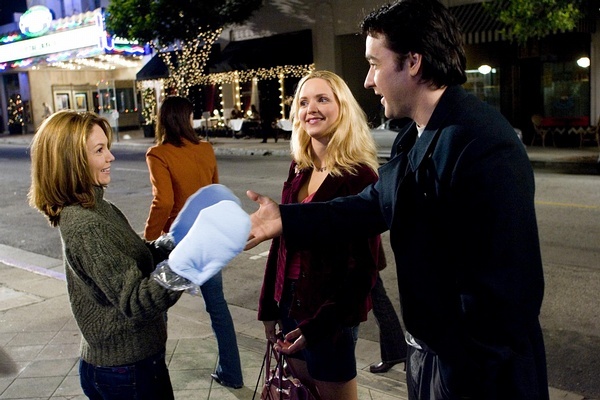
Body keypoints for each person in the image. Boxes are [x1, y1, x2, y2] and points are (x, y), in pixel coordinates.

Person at [245, 0, 549, 399]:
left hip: (475, 371)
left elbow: (508, 292)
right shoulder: (416, 134)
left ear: (413, 62)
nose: (369, 81)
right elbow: (369, 206)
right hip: (430, 355)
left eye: (375, 64)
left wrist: (459, 368)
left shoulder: (482, 143)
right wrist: (284, 219)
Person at [28, 110, 183, 399]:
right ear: (72, 162)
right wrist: (188, 265)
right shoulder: (86, 224)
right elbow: (136, 300)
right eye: (99, 150)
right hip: (127, 371)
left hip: (128, 366)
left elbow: (130, 258)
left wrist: (172, 243)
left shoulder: (97, 207)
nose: (110, 157)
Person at [258, 70, 381, 400]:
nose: (310, 108)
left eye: (322, 99)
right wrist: (269, 307)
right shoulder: (300, 167)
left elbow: (364, 271)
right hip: (289, 304)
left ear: (342, 107)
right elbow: (281, 243)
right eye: (303, 102)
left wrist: (319, 326)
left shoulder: (360, 176)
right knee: (302, 393)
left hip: (329, 314)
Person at [143, 96, 244, 389]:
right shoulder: (205, 149)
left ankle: (153, 375)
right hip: (207, 238)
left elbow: (163, 201)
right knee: (217, 307)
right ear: (186, 119)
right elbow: (214, 193)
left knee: (157, 307)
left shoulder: (158, 154)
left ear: (163, 120)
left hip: (177, 241)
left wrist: (149, 238)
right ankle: (232, 373)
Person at [369, 251, 407, 373]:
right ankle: (395, 354)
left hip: (360, 253)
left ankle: (396, 353)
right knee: (377, 297)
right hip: (363, 253)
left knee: (377, 298)